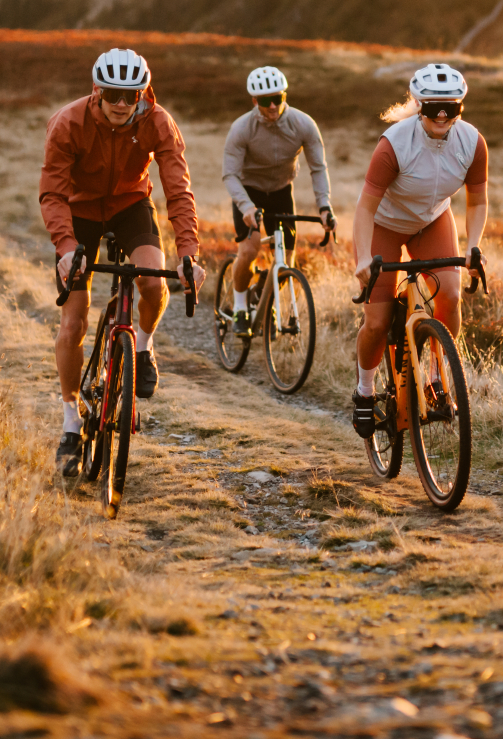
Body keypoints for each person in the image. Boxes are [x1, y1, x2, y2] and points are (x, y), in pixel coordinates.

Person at [40, 47, 205, 477]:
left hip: (131, 205)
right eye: (111, 93)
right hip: (79, 212)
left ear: (142, 94)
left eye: (129, 96)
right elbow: (53, 194)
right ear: (96, 91)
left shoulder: (158, 122)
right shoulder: (68, 123)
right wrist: (65, 248)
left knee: (154, 282)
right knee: (74, 323)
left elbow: (178, 190)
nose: (119, 103)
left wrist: (188, 253)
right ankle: (71, 422)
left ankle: (144, 347)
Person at [349, 62, 488, 439]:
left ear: (460, 107)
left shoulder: (472, 142)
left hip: (431, 221)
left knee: (452, 294)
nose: (441, 116)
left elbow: (477, 202)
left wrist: (473, 248)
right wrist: (364, 257)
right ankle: (364, 392)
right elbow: (364, 208)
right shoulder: (394, 144)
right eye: (431, 108)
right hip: (385, 225)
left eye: (451, 109)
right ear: (417, 104)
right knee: (377, 323)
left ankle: (439, 375)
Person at [222, 65, 335, 334]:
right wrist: (246, 207)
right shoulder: (241, 128)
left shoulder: (303, 124)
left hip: (282, 192)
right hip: (248, 191)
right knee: (249, 251)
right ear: (254, 101)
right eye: (264, 101)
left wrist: (324, 206)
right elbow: (230, 175)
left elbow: (318, 168)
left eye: (278, 98)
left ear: (285, 96)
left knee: (286, 263)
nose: (272, 106)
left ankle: (262, 296)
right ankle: (239, 307)